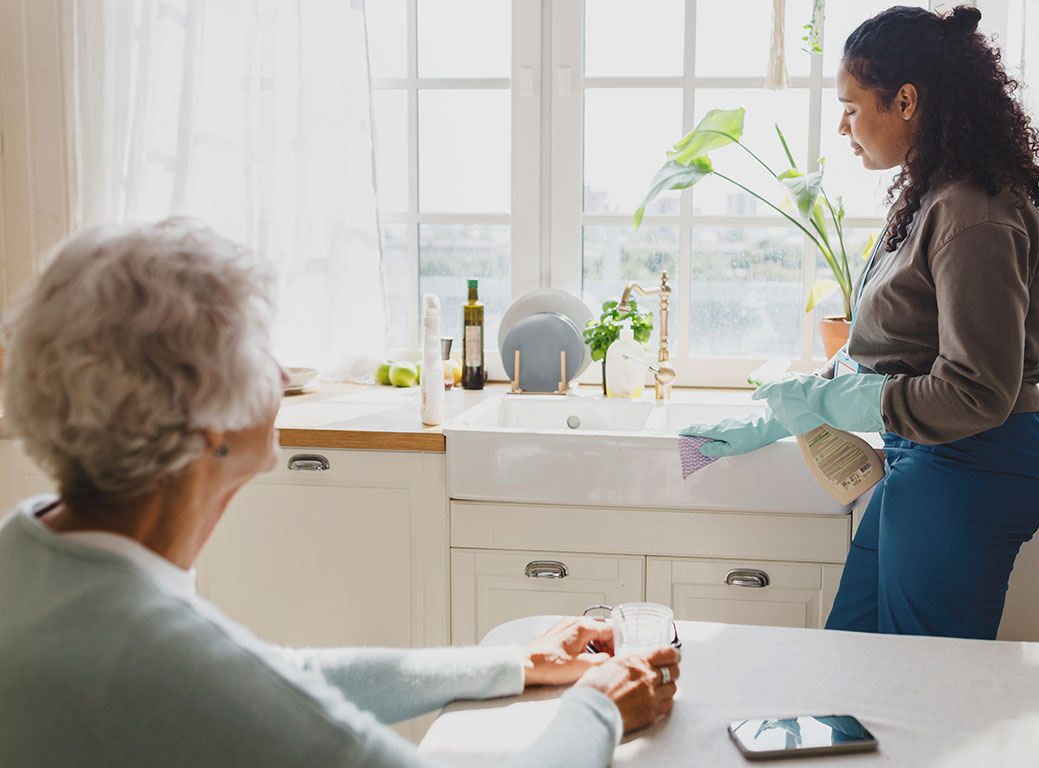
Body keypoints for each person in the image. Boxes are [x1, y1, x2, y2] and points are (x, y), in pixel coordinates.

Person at [0, 218, 680, 767]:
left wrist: (511, 663)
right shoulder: (167, 662)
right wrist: (601, 705)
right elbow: (233, 683)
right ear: (211, 425)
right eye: (260, 351)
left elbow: (277, 676)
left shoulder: (28, 547)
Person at [682, 5, 1039, 640]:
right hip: (930, 460)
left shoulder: (974, 215)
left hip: (973, 463)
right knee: (853, 656)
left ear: (907, 101)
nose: (842, 125)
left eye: (853, 106)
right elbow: (896, 341)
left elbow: (979, 391)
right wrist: (790, 409)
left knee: (917, 685)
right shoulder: (930, 198)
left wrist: (847, 400)